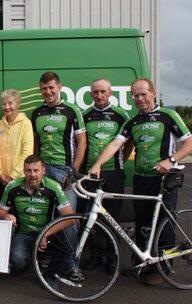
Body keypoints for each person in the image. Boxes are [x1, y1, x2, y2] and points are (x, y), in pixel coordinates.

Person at [89, 77, 192, 285]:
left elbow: (189, 143)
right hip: (141, 178)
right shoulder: (133, 121)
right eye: (135, 95)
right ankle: (143, 264)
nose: (139, 98)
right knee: (143, 223)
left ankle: (164, 269)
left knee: (165, 223)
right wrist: (98, 164)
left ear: (153, 93)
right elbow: (116, 144)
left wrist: (170, 160)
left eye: (143, 94)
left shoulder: (168, 116)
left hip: (164, 179)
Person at [0, 154, 73, 273]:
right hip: (23, 233)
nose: (32, 175)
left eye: (36, 170)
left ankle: (53, 261)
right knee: (18, 262)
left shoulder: (53, 187)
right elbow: (0, 212)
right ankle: (29, 258)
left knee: (70, 231)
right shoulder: (12, 187)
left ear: (43, 171)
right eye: (28, 171)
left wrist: (45, 233)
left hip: (47, 234)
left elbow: (70, 218)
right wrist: (6, 216)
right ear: (24, 171)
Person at [30, 71, 86, 211]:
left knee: (67, 215)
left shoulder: (72, 110)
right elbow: (36, 143)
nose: (48, 92)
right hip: (42, 169)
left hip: (64, 169)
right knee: (45, 212)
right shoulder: (37, 112)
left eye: (51, 87)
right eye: (44, 88)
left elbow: (82, 142)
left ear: (59, 87)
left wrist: (74, 170)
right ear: (40, 90)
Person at [82, 78, 131, 218]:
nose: (99, 95)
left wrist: (122, 160)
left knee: (112, 215)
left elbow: (128, 143)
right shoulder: (84, 115)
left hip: (113, 172)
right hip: (90, 172)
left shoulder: (121, 115)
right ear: (91, 94)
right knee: (90, 215)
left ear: (110, 92)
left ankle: (112, 240)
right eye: (95, 92)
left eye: (103, 91)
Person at [0, 89, 34, 213]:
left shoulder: (25, 123)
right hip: (0, 180)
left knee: (17, 215)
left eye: (10, 103)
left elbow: (27, 153)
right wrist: (0, 174)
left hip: (19, 179)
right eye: (4, 103)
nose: (7, 107)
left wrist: (12, 176)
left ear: (17, 104)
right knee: (0, 215)